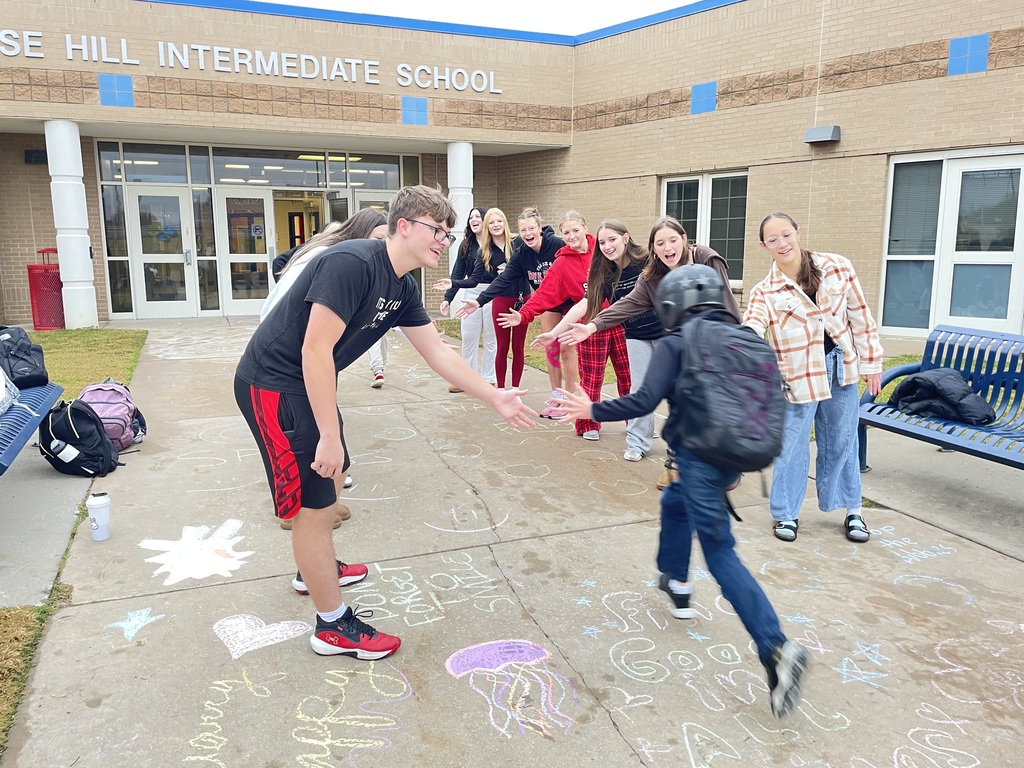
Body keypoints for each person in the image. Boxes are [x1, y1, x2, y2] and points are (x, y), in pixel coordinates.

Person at [235, 185, 536, 661]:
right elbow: (314, 350)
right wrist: (327, 435)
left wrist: (494, 395)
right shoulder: (353, 263)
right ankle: (332, 627)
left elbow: (437, 350)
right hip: (274, 385)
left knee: (332, 481)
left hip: (308, 382)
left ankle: (311, 568)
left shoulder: (401, 285)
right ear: (404, 227)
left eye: (448, 232)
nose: (444, 240)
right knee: (314, 502)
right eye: (438, 230)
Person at [550, 264, 810, 719]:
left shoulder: (676, 341)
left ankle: (775, 648)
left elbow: (643, 402)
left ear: (672, 305)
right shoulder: (747, 338)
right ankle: (675, 580)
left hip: (699, 456)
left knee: (720, 551)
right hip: (736, 455)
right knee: (675, 502)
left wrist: (590, 406)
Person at [559, 217, 738, 482]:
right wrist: (592, 326)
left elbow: (726, 304)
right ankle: (676, 460)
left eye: (672, 240)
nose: (667, 248)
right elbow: (628, 304)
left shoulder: (706, 259)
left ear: (684, 239)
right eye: (660, 243)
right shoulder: (653, 275)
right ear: (653, 248)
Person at [743, 212, 883, 544]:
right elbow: (753, 322)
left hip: (840, 369)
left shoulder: (837, 266)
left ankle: (852, 510)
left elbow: (860, 316)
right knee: (790, 446)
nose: (783, 243)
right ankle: (785, 514)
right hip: (796, 375)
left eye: (786, 235)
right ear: (764, 246)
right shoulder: (766, 290)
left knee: (841, 441)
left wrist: (872, 361)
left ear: (797, 232)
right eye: (773, 239)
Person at [532, 219, 657, 459]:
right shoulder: (603, 270)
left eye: (612, 240)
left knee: (653, 385)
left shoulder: (645, 259)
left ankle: (641, 427)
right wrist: (554, 332)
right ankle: (614, 431)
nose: (608, 246)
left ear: (626, 237)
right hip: (627, 331)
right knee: (623, 382)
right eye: (603, 242)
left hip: (660, 329)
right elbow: (585, 303)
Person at [497, 210, 594, 427]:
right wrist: (523, 314)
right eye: (567, 232)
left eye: (575, 230)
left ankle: (571, 399)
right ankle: (557, 397)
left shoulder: (597, 252)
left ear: (585, 228)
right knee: (552, 348)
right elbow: (543, 293)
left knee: (569, 351)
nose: (571, 236)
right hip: (555, 304)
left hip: (579, 307)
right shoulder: (558, 260)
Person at [458, 207, 565, 394]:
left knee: (567, 351)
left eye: (531, 229)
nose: (527, 233)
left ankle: (567, 396)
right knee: (548, 350)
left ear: (539, 227)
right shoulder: (516, 252)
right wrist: (478, 300)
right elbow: (503, 278)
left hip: (564, 301)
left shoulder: (553, 245)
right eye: (523, 230)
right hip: (536, 303)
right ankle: (512, 390)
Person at [433, 206, 496, 392]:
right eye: (471, 217)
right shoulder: (466, 244)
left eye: (478, 216)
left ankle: (489, 379)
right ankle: (467, 379)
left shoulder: (497, 243)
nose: (474, 220)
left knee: (492, 339)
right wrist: (448, 298)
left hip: (494, 293)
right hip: (471, 292)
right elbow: (458, 272)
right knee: (469, 337)